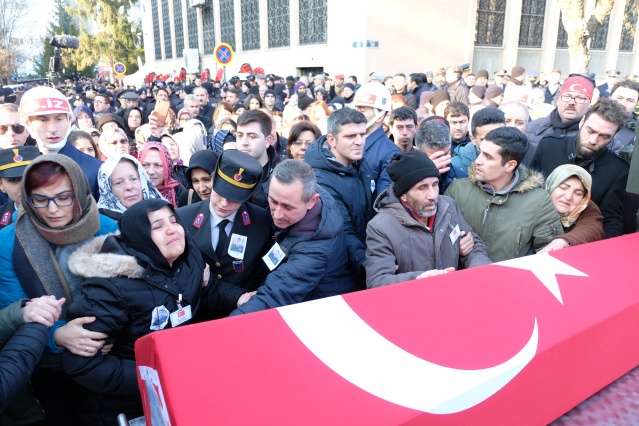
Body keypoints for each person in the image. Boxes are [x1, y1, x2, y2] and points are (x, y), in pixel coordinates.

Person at [0, 154, 119, 425]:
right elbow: (15, 308)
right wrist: (59, 336)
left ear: (79, 190)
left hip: (109, 355)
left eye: (64, 196)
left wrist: (111, 331)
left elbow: (130, 290)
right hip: (50, 368)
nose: (52, 209)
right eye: (40, 199)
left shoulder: (108, 228)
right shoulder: (8, 244)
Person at [62, 198, 202, 424]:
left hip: (178, 383)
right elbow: (81, 364)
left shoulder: (187, 254)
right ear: (140, 236)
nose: (172, 230)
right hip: (125, 406)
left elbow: (205, 291)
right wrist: (152, 377)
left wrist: (238, 297)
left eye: (174, 221)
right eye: (157, 226)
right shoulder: (109, 289)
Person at [230, 160, 357, 315]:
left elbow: (273, 297)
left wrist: (224, 330)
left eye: (288, 207)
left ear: (312, 201)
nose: (277, 214)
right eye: (273, 201)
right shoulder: (305, 190)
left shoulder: (316, 251)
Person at [366, 151, 490, 288]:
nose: (433, 195)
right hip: (414, 302)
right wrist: (419, 279)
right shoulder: (380, 227)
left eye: (435, 184)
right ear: (403, 195)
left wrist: (480, 272)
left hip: (454, 293)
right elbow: (377, 282)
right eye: (422, 188)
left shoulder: (448, 206)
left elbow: (475, 247)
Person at [177, 150, 272, 319]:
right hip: (198, 315)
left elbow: (266, 270)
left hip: (243, 313)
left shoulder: (261, 221)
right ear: (213, 182)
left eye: (234, 198)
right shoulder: (183, 218)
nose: (224, 203)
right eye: (219, 194)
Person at [445, 127, 562, 262]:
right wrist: (454, 245)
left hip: (511, 280)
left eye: (488, 156)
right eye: (480, 152)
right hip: (462, 278)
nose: (477, 160)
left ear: (510, 166)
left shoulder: (539, 202)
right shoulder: (457, 190)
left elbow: (549, 254)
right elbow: (434, 241)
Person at [530, 98, 629, 238]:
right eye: (591, 130)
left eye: (604, 136)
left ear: (613, 137)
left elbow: (611, 219)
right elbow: (528, 191)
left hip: (580, 239)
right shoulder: (549, 146)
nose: (593, 140)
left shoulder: (617, 169)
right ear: (582, 122)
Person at [305, 108, 374, 286]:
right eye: (351, 136)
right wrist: (370, 266)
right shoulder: (321, 180)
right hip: (340, 273)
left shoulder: (359, 164)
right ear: (332, 140)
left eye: (362, 134)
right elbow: (344, 231)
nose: (359, 142)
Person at [19, 86, 103, 199]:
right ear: (28, 124)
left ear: (69, 121)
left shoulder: (96, 169)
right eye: (43, 120)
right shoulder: (18, 168)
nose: (53, 129)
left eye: (59, 119)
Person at [525, 74, 594, 160]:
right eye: (567, 96)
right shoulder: (532, 128)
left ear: (589, 104)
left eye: (580, 98)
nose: (571, 102)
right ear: (558, 99)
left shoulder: (595, 137)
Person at [539, 164, 604, 252]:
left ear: (584, 197)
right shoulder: (533, 200)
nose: (569, 196)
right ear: (551, 185)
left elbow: (592, 229)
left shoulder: (587, 208)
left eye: (578, 193)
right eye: (563, 188)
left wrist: (563, 241)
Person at [352, 83, 401, 195]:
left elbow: (384, 198)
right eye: (356, 109)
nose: (355, 114)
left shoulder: (391, 154)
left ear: (379, 116)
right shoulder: (345, 142)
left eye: (362, 110)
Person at [235, 110, 282, 208]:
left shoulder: (284, 174)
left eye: (252, 136)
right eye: (239, 135)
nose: (244, 142)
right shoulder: (227, 169)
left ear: (268, 140)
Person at [96, 154, 164, 219]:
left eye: (133, 179)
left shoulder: (163, 211)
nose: (129, 187)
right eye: (119, 183)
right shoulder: (103, 226)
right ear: (108, 190)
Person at [415, 118, 467, 193]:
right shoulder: (405, 178)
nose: (442, 162)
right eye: (436, 157)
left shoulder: (462, 179)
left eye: (446, 154)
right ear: (417, 151)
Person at [451, 107, 505, 173]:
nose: (494, 144)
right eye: (486, 139)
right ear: (473, 139)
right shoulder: (456, 167)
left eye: (499, 138)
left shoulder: (516, 159)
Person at [0, 146, 40, 230]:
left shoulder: (58, 213)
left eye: (30, 177)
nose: (24, 186)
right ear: (1, 185)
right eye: (14, 180)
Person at [139, 142, 185, 207]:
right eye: (145, 165)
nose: (151, 172)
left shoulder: (179, 192)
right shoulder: (134, 193)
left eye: (157, 165)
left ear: (168, 167)